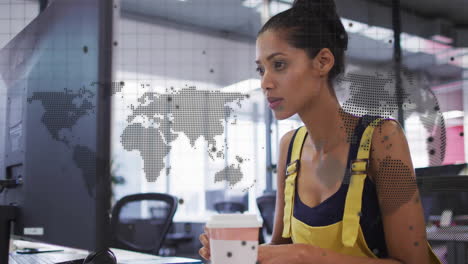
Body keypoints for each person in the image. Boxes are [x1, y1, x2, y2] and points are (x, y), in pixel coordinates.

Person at [199, 0, 442, 263]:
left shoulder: (383, 138)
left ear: (323, 62)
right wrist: (244, 254)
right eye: (261, 69)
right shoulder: (289, 147)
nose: (265, 82)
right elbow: (283, 248)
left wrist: (306, 255)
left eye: (279, 65)